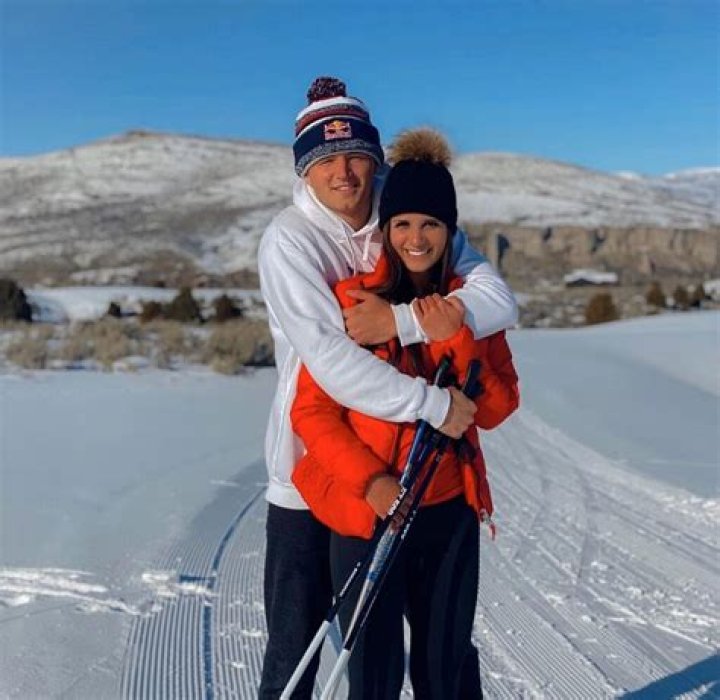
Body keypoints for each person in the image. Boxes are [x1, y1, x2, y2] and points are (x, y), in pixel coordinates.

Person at [257, 77, 518, 699]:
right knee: (297, 641)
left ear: (376, 160)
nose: (344, 172)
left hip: (423, 480)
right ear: (304, 169)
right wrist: (435, 406)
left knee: (442, 647)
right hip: (310, 466)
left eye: (356, 156)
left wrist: (403, 322)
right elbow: (329, 365)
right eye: (326, 159)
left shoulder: (404, 212)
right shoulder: (289, 240)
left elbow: (496, 301)